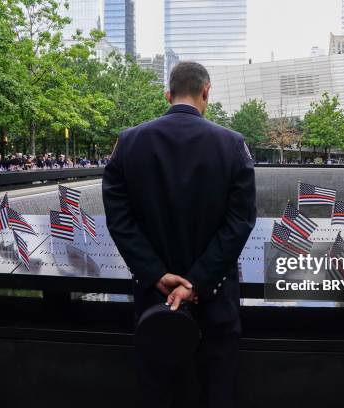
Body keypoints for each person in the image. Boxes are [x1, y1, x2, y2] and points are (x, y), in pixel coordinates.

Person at [102, 61, 256, 408]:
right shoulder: (232, 145)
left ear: (167, 95)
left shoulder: (128, 143)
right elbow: (240, 222)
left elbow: (119, 219)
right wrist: (197, 282)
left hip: (153, 307)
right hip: (215, 307)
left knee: (158, 394)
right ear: (206, 92)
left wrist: (155, 274)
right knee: (217, 393)